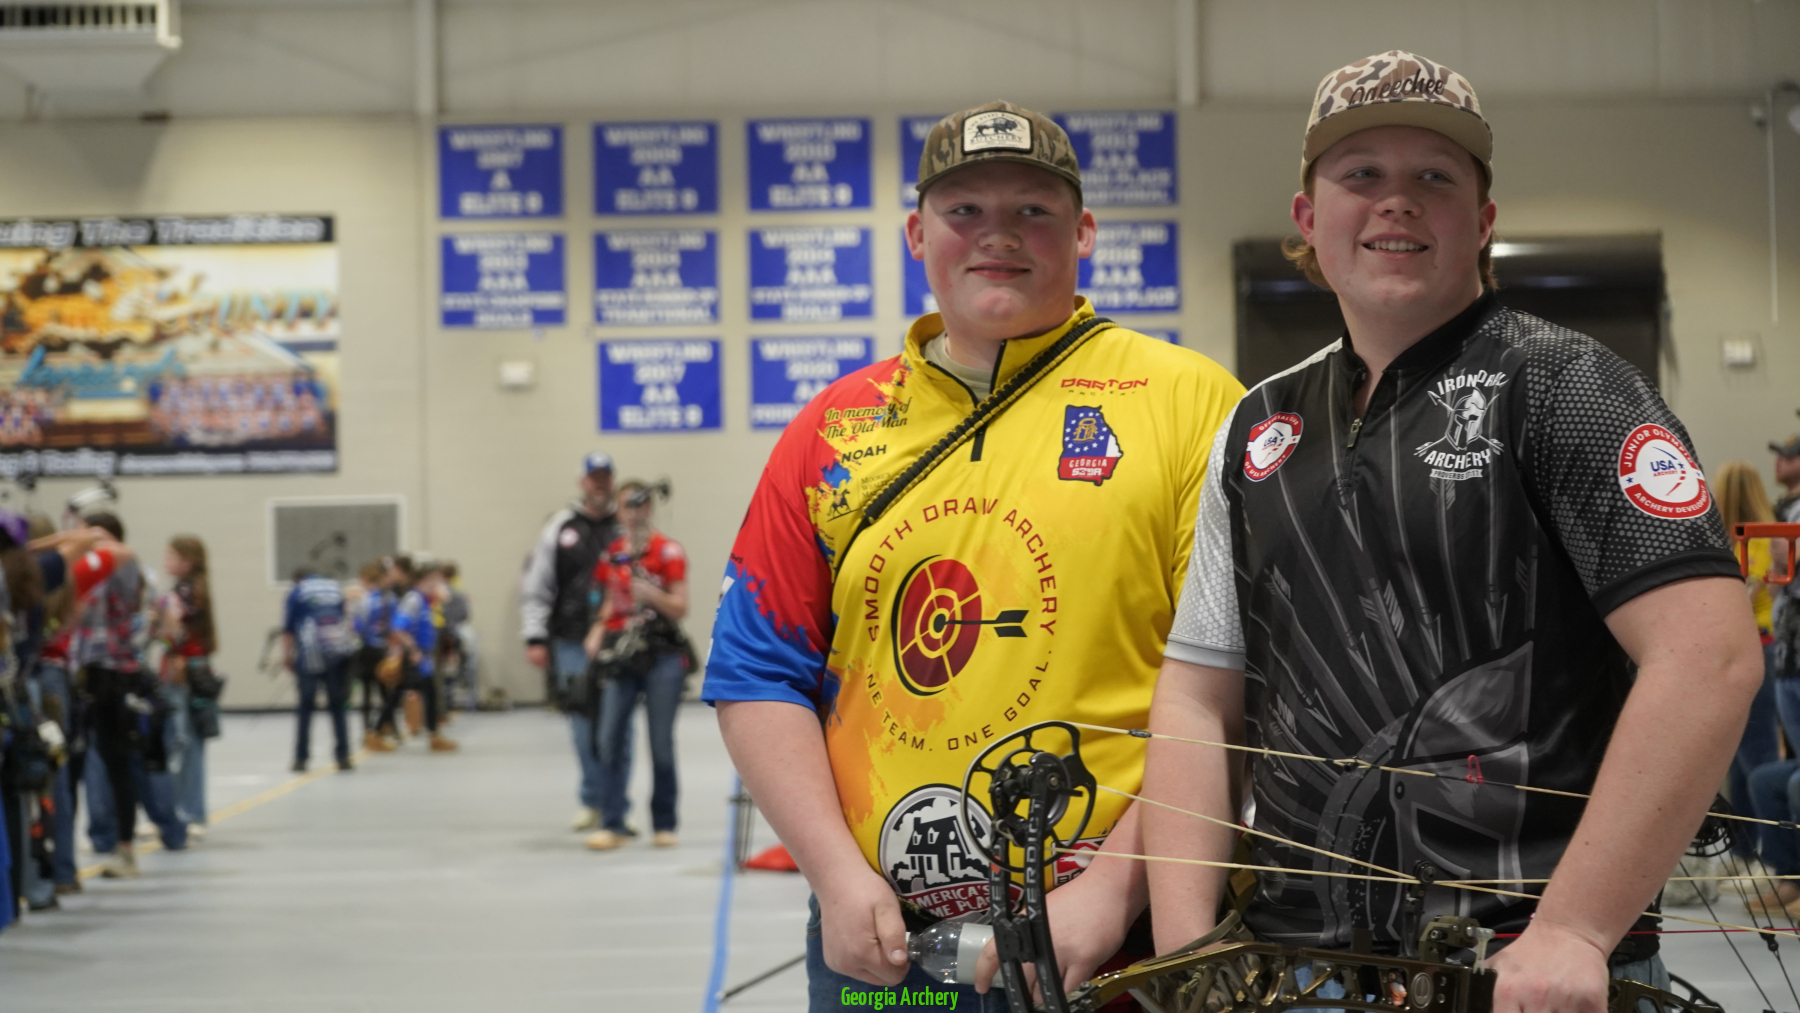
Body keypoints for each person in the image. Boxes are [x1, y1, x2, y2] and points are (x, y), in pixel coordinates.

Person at [1142, 50, 1764, 1013]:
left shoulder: (1569, 388)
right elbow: (1198, 694)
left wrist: (1575, 928)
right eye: (1362, 174)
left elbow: (1710, 657)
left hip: (1522, 977)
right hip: (1290, 972)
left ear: (1483, 220)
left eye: (1435, 176)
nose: (1397, 200)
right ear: (1307, 216)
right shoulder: (1256, 427)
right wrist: (1189, 955)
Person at [704, 100, 1244, 1006]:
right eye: (965, 211)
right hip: (888, 940)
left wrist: (1113, 892)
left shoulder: (1190, 402)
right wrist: (836, 875)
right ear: (918, 235)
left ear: (1085, 232)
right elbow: (757, 669)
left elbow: (1234, 684)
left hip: (1115, 937)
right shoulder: (832, 430)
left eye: (1033, 209)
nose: (999, 234)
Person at [69, 512, 187, 876]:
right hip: (108, 671)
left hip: (112, 674)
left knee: (117, 761)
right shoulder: (132, 572)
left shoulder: (117, 567)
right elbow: (167, 622)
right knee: (111, 761)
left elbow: (165, 620)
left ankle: (120, 844)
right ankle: (112, 842)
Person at [582, 480, 691, 852]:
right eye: (627, 505)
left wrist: (651, 594)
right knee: (610, 738)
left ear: (649, 508)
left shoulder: (668, 551)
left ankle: (664, 822)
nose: (634, 512)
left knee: (660, 742)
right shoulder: (612, 554)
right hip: (621, 653)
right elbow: (608, 600)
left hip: (661, 653)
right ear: (618, 510)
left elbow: (680, 606)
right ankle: (612, 821)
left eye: (640, 504)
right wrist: (598, 629)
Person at [520, 452, 618, 832]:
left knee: (617, 727)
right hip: (571, 640)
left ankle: (615, 807)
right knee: (581, 725)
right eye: (594, 477)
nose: (600, 483)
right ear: (582, 482)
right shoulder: (560, 528)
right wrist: (534, 636)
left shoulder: (623, 527)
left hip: (618, 642)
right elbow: (538, 585)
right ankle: (591, 799)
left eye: (606, 476)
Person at [154, 535, 218, 836]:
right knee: (190, 742)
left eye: (171, 556)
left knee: (182, 742)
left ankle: (187, 811)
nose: (166, 562)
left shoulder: (184, 592)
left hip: (182, 671)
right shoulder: (195, 590)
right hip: (195, 668)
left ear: (187, 562)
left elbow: (174, 633)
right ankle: (189, 810)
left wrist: (158, 616)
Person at [283, 567, 356, 772]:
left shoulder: (297, 591)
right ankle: (343, 756)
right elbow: (345, 621)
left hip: (309, 656)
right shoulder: (335, 588)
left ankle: (301, 758)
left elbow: (288, 630)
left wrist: (287, 658)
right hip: (337, 654)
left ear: (298, 579)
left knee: (306, 707)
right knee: (337, 706)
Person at [380, 562, 457, 752]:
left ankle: (433, 735)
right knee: (417, 694)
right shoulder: (413, 599)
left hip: (422, 655)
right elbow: (399, 628)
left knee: (414, 693)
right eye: (435, 581)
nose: (438, 585)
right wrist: (413, 650)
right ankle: (433, 736)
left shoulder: (424, 600)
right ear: (425, 580)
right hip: (415, 655)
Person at [349, 560, 398, 750]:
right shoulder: (391, 599)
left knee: (367, 693)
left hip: (367, 650)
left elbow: (357, 626)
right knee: (386, 692)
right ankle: (391, 728)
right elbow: (395, 625)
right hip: (384, 649)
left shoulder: (364, 600)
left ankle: (367, 730)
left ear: (367, 580)